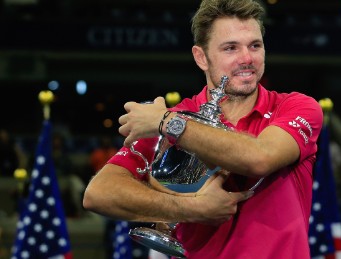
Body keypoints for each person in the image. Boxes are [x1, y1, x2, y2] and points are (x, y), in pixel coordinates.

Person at [83, 0, 323, 258]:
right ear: (201, 57)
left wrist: (169, 124)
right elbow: (99, 194)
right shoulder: (174, 118)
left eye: (255, 45)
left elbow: (260, 158)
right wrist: (189, 208)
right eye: (230, 48)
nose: (247, 58)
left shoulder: (295, 107)